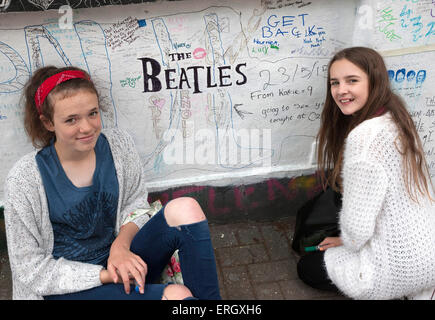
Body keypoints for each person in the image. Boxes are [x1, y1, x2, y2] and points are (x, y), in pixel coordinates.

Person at [4, 66, 221, 300]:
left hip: (121, 262)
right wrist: (106, 274)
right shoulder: (25, 179)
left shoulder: (119, 145)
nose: (86, 127)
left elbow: (135, 204)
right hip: (68, 288)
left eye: (92, 113)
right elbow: (31, 269)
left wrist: (121, 247)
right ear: (48, 123)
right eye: (71, 120)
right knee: (177, 296)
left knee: (185, 208)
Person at [297, 47, 435, 300]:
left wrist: (344, 242)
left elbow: (357, 228)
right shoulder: (398, 116)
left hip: (397, 270)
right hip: (430, 253)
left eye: (352, 80)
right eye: (334, 83)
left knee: (307, 267)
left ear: (375, 81)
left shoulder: (365, 138)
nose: (341, 90)